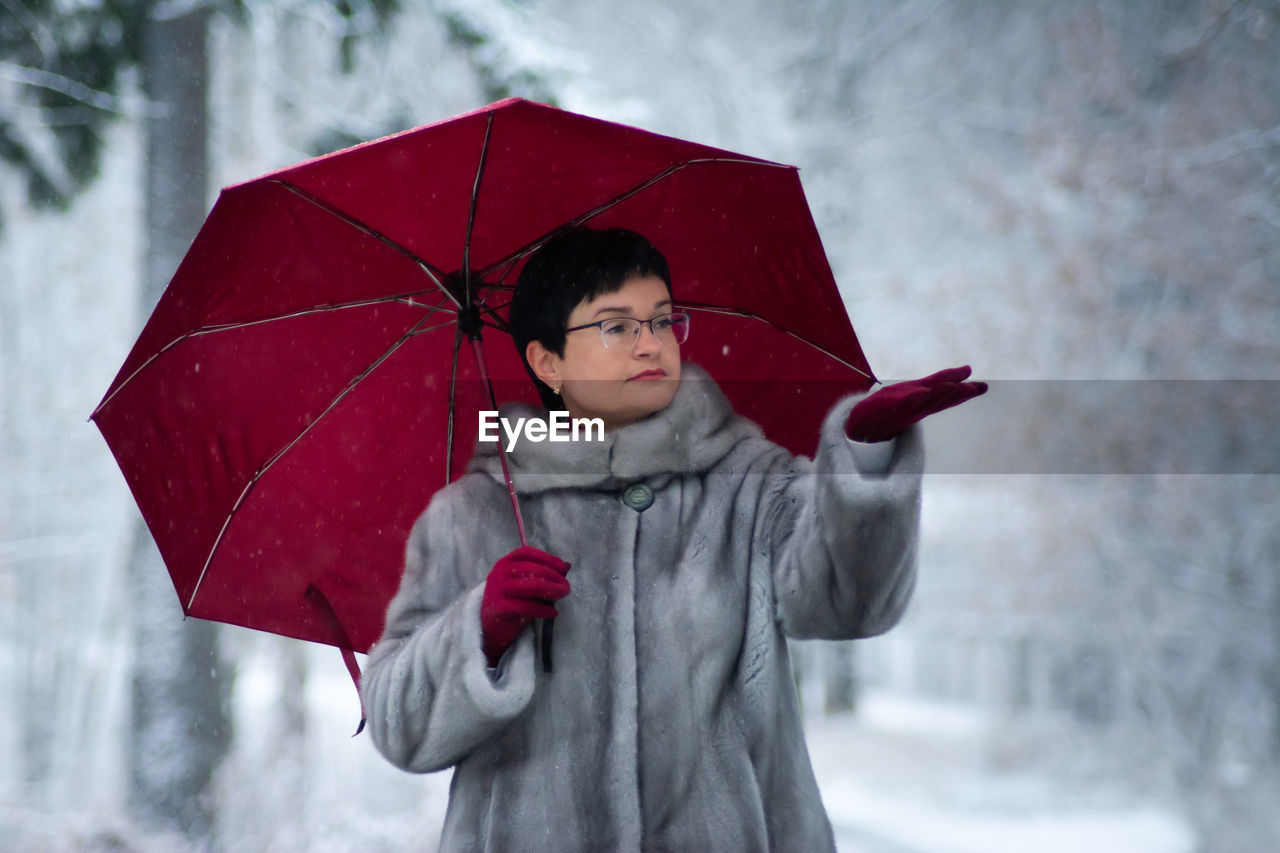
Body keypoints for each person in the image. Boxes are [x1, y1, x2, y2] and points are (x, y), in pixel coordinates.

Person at [362, 226, 986, 851]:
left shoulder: (746, 484)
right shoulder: (472, 515)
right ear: (546, 361)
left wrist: (865, 463)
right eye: (616, 326)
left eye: (662, 321)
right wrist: (480, 631)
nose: (649, 345)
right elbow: (399, 725)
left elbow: (851, 602)